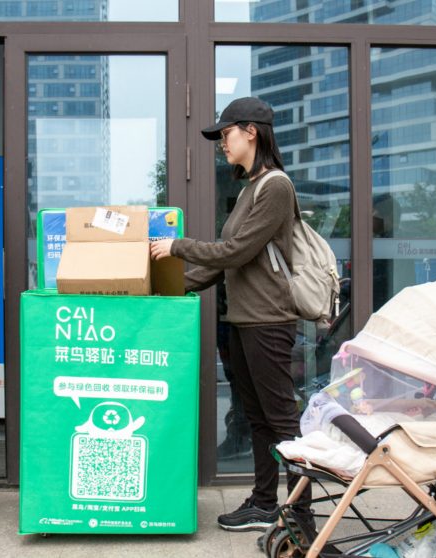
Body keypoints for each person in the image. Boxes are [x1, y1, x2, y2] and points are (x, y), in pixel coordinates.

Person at [150, 96, 311, 532]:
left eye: (226, 133)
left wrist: (177, 246)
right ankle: (263, 502)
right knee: (256, 418)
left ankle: (301, 517)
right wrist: (161, 289)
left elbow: (236, 251)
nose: (222, 142)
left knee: (281, 420)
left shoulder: (276, 186)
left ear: (251, 132)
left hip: (269, 322)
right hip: (242, 322)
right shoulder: (249, 190)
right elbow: (227, 264)